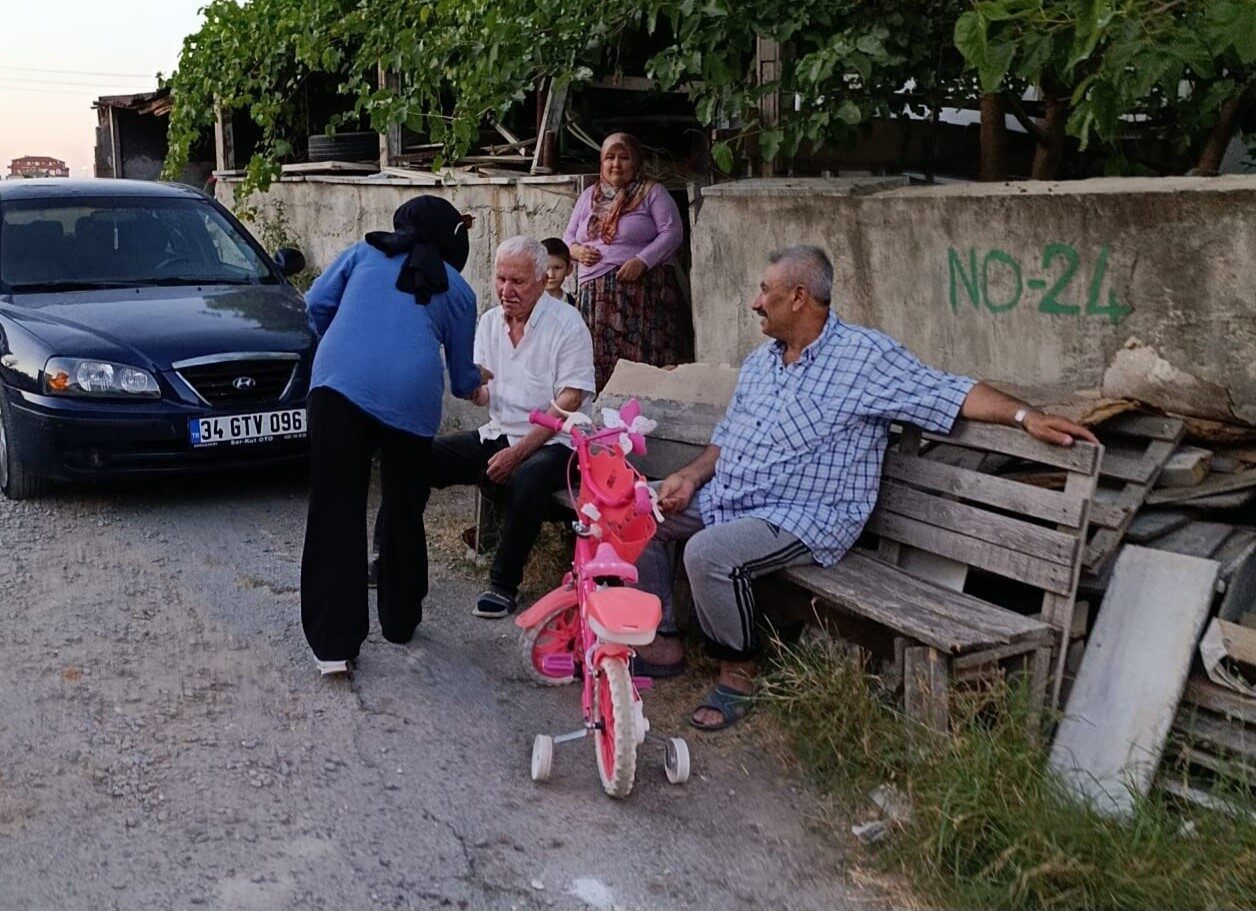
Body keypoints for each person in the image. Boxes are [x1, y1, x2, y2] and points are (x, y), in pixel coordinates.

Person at [631, 245, 1099, 731]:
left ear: (798, 297)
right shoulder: (760, 363)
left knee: (709, 553)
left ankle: (738, 675)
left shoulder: (864, 358)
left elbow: (949, 391)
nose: (755, 302)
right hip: (732, 495)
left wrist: (1026, 416)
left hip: (805, 514)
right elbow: (727, 439)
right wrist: (690, 475)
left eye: (764, 291)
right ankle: (662, 643)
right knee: (635, 508)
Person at [301, 196, 482, 676]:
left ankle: (333, 647)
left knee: (336, 509)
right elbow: (463, 379)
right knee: (403, 506)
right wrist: (480, 382)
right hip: (410, 400)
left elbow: (314, 305)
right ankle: (399, 620)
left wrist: (345, 340)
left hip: (337, 387)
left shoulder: (362, 253)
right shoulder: (460, 290)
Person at [421, 236, 595, 619]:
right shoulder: (489, 321)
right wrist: (475, 390)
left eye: (517, 281)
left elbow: (570, 400)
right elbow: (487, 391)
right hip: (500, 433)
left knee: (529, 475)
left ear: (542, 280)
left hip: (560, 442)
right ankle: (390, 555)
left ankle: (503, 585)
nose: (506, 290)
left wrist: (517, 454)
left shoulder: (567, 323)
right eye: (500, 279)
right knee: (420, 457)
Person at [563, 132, 692, 389]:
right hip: (595, 296)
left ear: (636, 162)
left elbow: (672, 232)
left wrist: (642, 261)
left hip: (644, 293)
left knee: (644, 364)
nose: (616, 164)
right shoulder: (589, 195)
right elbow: (568, 236)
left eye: (624, 157)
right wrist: (576, 251)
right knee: (597, 359)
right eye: (609, 157)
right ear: (601, 162)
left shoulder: (652, 192)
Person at [541, 237, 577, 306]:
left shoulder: (574, 304)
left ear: (569, 269)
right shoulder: (527, 303)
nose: (551, 275)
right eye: (545, 268)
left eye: (557, 268)